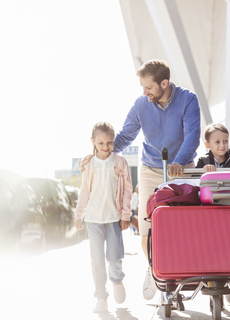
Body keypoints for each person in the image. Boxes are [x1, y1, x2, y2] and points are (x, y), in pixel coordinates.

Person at [81, 59, 201, 300]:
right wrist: (99, 154)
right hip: (151, 170)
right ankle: (154, 270)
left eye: (148, 87)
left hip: (181, 169)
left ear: (164, 83)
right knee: (148, 225)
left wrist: (179, 162)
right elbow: (125, 136)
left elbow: (193, 136)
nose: (144, 92)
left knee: (183, 225)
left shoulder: (188, 99)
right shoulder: (140, 104)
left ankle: (181, 272)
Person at [75, 122, 132, 313]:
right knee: (97, 260)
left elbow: (127, 191)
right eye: (101, 143)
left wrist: (125, 215)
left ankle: (117, 281)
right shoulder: (88, 164)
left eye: (109, 142)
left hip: (113, 218)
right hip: (93, 219)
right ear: (93, 141)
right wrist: (79, 214)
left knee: (115, 257)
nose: (106, 147)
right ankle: (101, 296)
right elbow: (85, 190)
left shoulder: (120, 162)